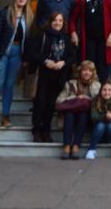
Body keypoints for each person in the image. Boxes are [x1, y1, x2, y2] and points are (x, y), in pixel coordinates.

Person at [0, 0, 34, 128]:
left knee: (9, 85)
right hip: (2, 53)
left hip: (17, 53)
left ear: (27, 0)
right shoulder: (4, 14)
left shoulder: (29, 17)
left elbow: (29, 40)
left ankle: (6, 115)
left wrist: (26, 58)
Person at [26, 11, 75, 142]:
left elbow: (72, 56)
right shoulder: (42, 35)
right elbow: (32, 53)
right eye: (55, 20)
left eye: (60, 20)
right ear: (50, 21)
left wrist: (63, 62)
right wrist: (46, 61)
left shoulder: (65, 38)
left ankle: (46, 131)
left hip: (58, 77)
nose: (57, 23)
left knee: (50, 105)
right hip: (43, 74)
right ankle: (36, 130)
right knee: (40, 103)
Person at [68, 0, 111, 81]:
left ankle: (102, 91)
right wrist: (73, 33)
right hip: (89, 40)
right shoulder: (82, 1)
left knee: (103, 66)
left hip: (104, 40)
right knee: (89, 65)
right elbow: (72, 20)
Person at [55, 60, 100, 160]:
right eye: (84, 70)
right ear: (80, 71)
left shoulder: (97, 85)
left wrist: (88, 99)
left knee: (83, 115)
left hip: (87, 116)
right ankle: (66, 146)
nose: (87, 73)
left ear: (93, 72)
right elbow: (59, 100)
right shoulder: (70, 83)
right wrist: (75, 98)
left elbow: (100, 103)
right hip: (70, 114)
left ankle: (76, 146)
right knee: (70, 114)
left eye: (90, 70)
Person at [86, 80, 111, 160]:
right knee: (101, 125)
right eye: (104, 90)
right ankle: (91, 149)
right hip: (98, 133)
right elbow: (93, 117)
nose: (107, 92)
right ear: (100, 91)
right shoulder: (95, 101)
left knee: (110, 125)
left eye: (109, 90)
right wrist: (104, 116)